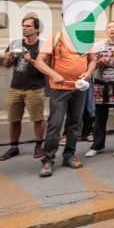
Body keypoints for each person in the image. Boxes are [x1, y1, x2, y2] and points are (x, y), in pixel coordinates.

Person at [34, 27, 97, 177]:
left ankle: (69, 156)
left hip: (79, 88)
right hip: (59, 89)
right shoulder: (56, 37)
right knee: (55, 124)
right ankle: (48, 160)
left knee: (75, 123)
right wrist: (53, 74)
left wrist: (88, 73)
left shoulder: (86, 37)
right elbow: (39, 62)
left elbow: (93, 60)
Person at [0, 16, 46, 161]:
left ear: (37, 29)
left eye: (28, 26)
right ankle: (14, 147)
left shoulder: (42, 46)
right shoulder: (15, 44)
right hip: (15, 87)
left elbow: (45, 69)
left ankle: (39, 145)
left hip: (35, 88)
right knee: (14, 119)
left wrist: (30, 59)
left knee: (38, 118)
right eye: (23, 26)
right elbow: (6, 65)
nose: (24, 28)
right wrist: (7, 57)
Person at [86, 22, 114, 158]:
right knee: (100, 116)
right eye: (109, 27)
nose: (112, 29)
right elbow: (92, 64)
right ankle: (97, 145)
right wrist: (101, 61)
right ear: (106, 30)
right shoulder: (98, 45)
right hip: (101, 84)